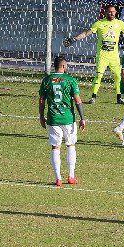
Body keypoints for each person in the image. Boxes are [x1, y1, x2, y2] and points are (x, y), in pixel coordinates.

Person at [64, 4, 124, 104]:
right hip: (102, 55)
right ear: (106, 12)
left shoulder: (119, 23)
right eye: (110, 12)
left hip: (114, 56)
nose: (112, 13)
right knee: (99, 76)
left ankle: (119, 98)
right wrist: (74, 39)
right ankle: (93, 97)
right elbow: (86, 33)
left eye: (114, 11)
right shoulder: (99, 23)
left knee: (118, 77)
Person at [39, 54, 86, 186]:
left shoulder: (47, 80)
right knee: (70, 145)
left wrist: (41, 115)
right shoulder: (70, 80)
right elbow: (78, 100)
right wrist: (82, 118)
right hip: (68, 119)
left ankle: (58, 178)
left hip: (53, 118)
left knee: (56, 147)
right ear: (64, 66)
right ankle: (71, 176)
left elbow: (42, 100)